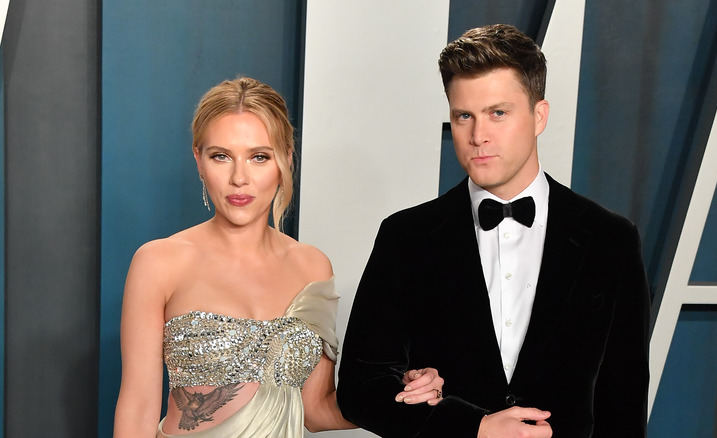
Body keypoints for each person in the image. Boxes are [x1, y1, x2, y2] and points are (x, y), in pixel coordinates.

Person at [337, 24, 650, 437]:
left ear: (539, 116)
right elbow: (359, 390)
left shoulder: (610, 239)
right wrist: (473, 427)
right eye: (464, 116)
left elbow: (623, 405)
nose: (478, 136)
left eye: (498, 113)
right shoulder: (406, 237)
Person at [113, 77, 444, 437]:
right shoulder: (159, 262)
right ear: (198, 160)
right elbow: (138, 408)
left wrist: (403, 393)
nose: (240, 178)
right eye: (221, 156)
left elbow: (316, 411)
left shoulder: (312, 267)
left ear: (285, 159)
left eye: (259, 157)